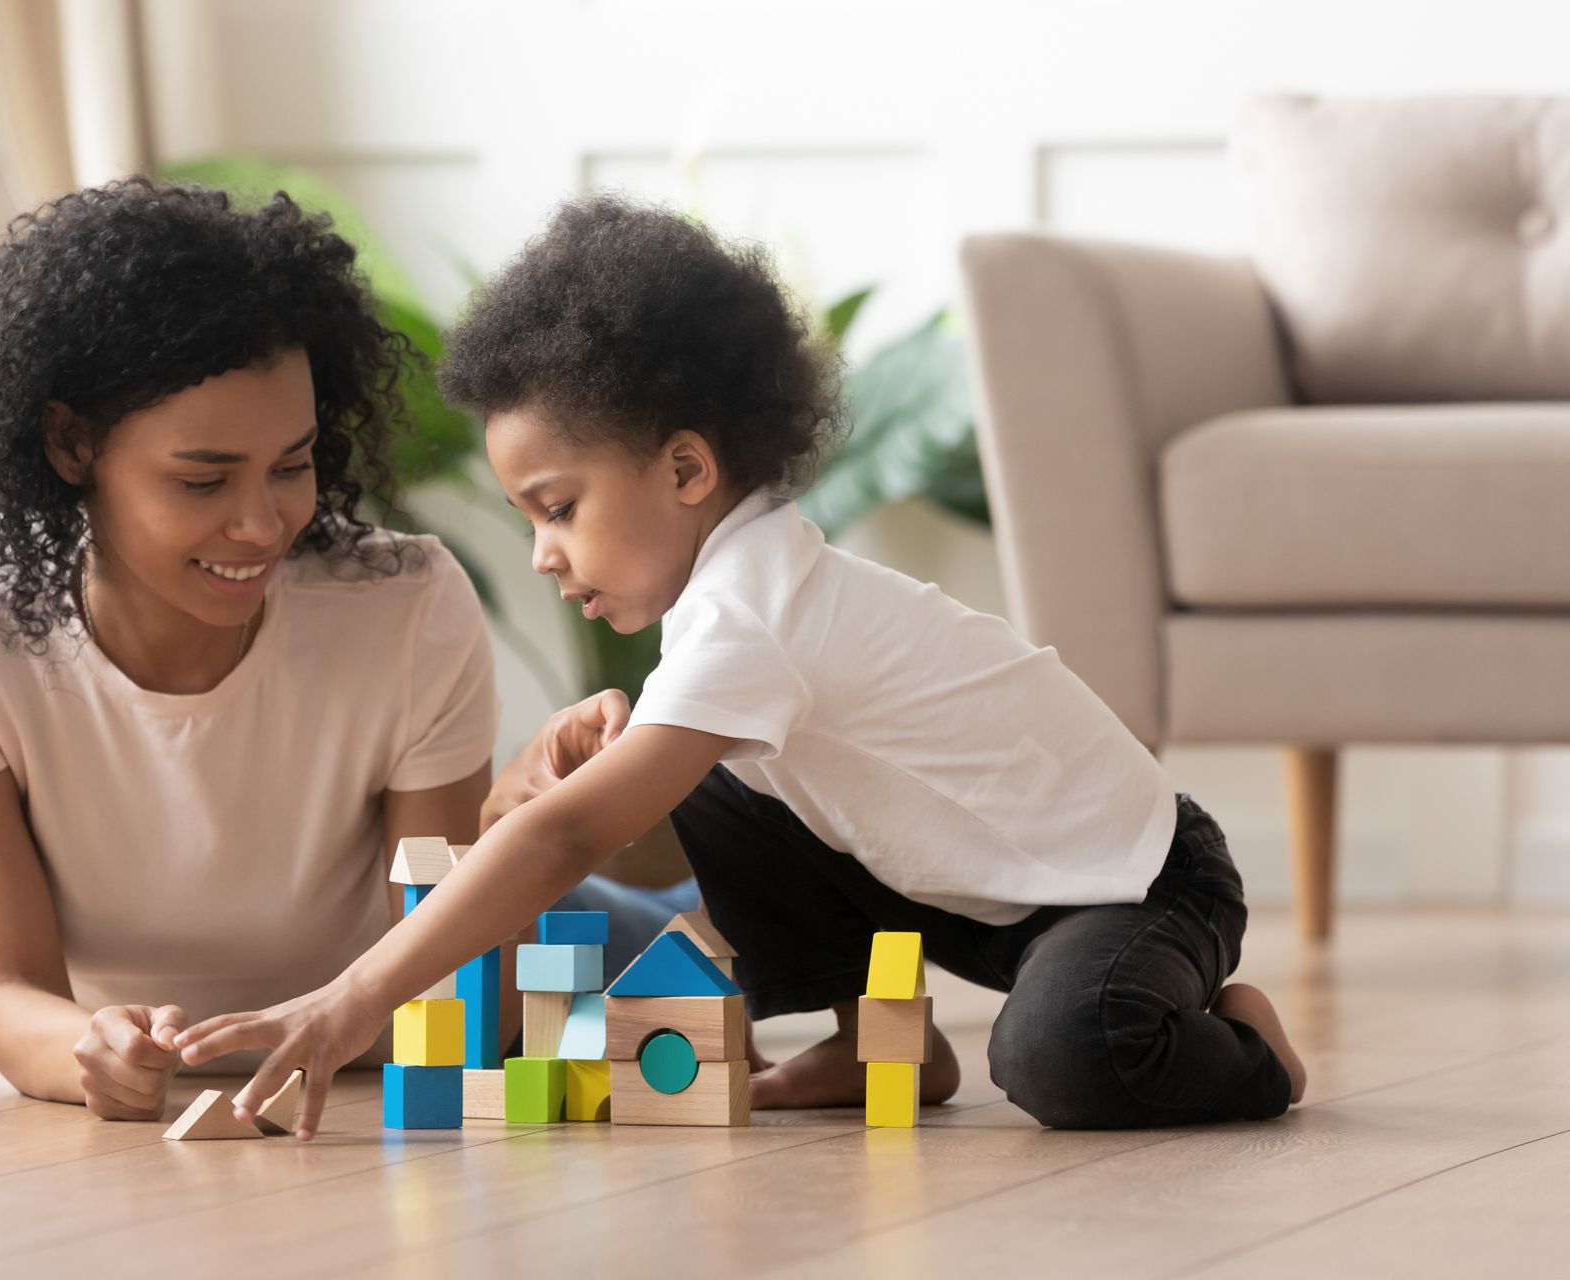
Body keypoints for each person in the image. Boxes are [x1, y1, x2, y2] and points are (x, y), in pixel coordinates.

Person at [174, 194, 1307, 1137]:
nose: (540, 551)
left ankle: (1247, 1047)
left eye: (558, 507)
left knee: (1064, 1055)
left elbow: (568, 836)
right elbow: (608, 806)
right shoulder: (739, 597)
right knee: (711, 767)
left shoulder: (755, 611)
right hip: (970, 887)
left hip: (1136, 884)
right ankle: (877, 1043)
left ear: (686, 467)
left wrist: (352, 994)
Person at [0, 179, 687, 1123]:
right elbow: (10, 1000)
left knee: (720, 939)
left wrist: (498, 820)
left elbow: (453, 966)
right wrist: (85, 1050)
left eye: (292, 466)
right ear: (70, 441)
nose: (260, 524)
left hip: (474, 973)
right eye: (202, 480)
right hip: (306, 1047)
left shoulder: (399, 602)